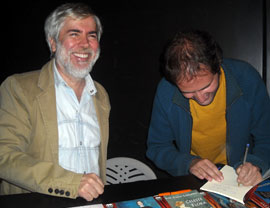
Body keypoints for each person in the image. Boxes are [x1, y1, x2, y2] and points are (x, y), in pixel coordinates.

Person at [0, 3, 110, 201]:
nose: (85, 44)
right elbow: (4, 155)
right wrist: (71, 183)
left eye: (92, 36)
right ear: (53, 43)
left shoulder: (100, 94)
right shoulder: (19, 88)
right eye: (74, 34)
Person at [147, 29, 270, 186]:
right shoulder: (167, 90)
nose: (201, 98)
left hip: (240, 178)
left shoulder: (246, 78)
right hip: (195, 179)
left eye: (206, 87)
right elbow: (157, 147)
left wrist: (256, 163)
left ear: (218, 65)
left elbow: (266, 136)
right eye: (188, 92)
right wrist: (188, 163)